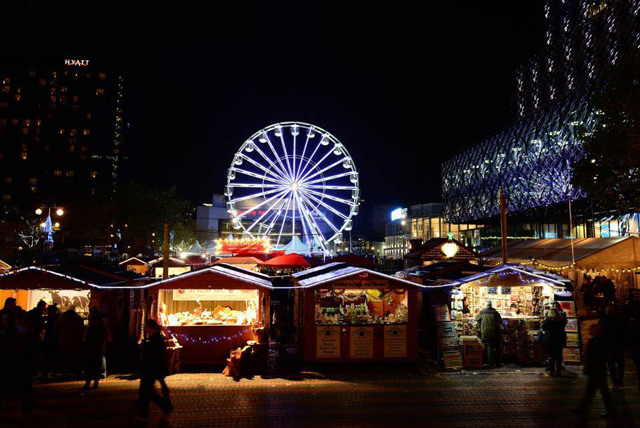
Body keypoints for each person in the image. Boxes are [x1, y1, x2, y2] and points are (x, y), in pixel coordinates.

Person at [574, 323, 615, 418]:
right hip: (597, 370)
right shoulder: (598, 340)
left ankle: (583, 409)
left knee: (598, 391)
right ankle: (583, 409)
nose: (589, 331)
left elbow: (594, 356)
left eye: (591, 329)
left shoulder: (597, 341)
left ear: (596, 331)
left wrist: (587, 366)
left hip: (596, 370)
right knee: (597, 391)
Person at [139, 319, 172, 418]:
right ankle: (163, 405)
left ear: (150, 327)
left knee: (147, 391)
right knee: (148, 390)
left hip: (151, 368)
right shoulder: (156, 338)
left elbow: (152, 355)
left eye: (146, 326)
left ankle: (163, 406)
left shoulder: (155, 339)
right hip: (154, 368)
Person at [53, 306, 84, 376]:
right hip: (75, 341)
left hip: (63, 340)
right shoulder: (78, 318)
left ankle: (64, 371)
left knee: (64, 357)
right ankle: (76, 371)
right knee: (75, 357)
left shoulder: (61, 318)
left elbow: (55, 329)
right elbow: (82, 329)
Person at [82, 308, 108, 390]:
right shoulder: (102, 328)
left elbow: (84, 339)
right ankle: (96, 382)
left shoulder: (89, 328)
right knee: (97, 366)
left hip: (90, 348)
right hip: (99, 348)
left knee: (89, 366)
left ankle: (88, 382)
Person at [601, 303, 626, 387]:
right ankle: (620, 379)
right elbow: (624, 332)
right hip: (619, 345)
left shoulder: (604, 319)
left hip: (609, 345)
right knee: (620, 363)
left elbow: (601, 333)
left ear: (607, 311)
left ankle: (614, 380)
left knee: (611, 364)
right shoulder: (620, 319)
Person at [475, 301, 503, 368]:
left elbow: (476, 318)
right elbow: (500, 321)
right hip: (494, 332)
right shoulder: (495, 312)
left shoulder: (482, 312)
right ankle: (496, 363)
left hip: (485, 332)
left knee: (488, 347)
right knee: (496, 347)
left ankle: (489, 363)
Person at [542, 308, 567, 376]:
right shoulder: (562, 320)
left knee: (552, 356)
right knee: (559, 356)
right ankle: (558, 371)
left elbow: (544, 327)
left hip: (551, 340)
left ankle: (552, 371)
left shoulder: (549, 320)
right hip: (560, 340)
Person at [42, 304, 59, 380]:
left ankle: (45, 373)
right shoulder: (57, 318)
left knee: (46, 357)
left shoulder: (49, 319)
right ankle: (53, 372)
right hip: (54, 339)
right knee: (54, 357)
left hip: (49, 339)